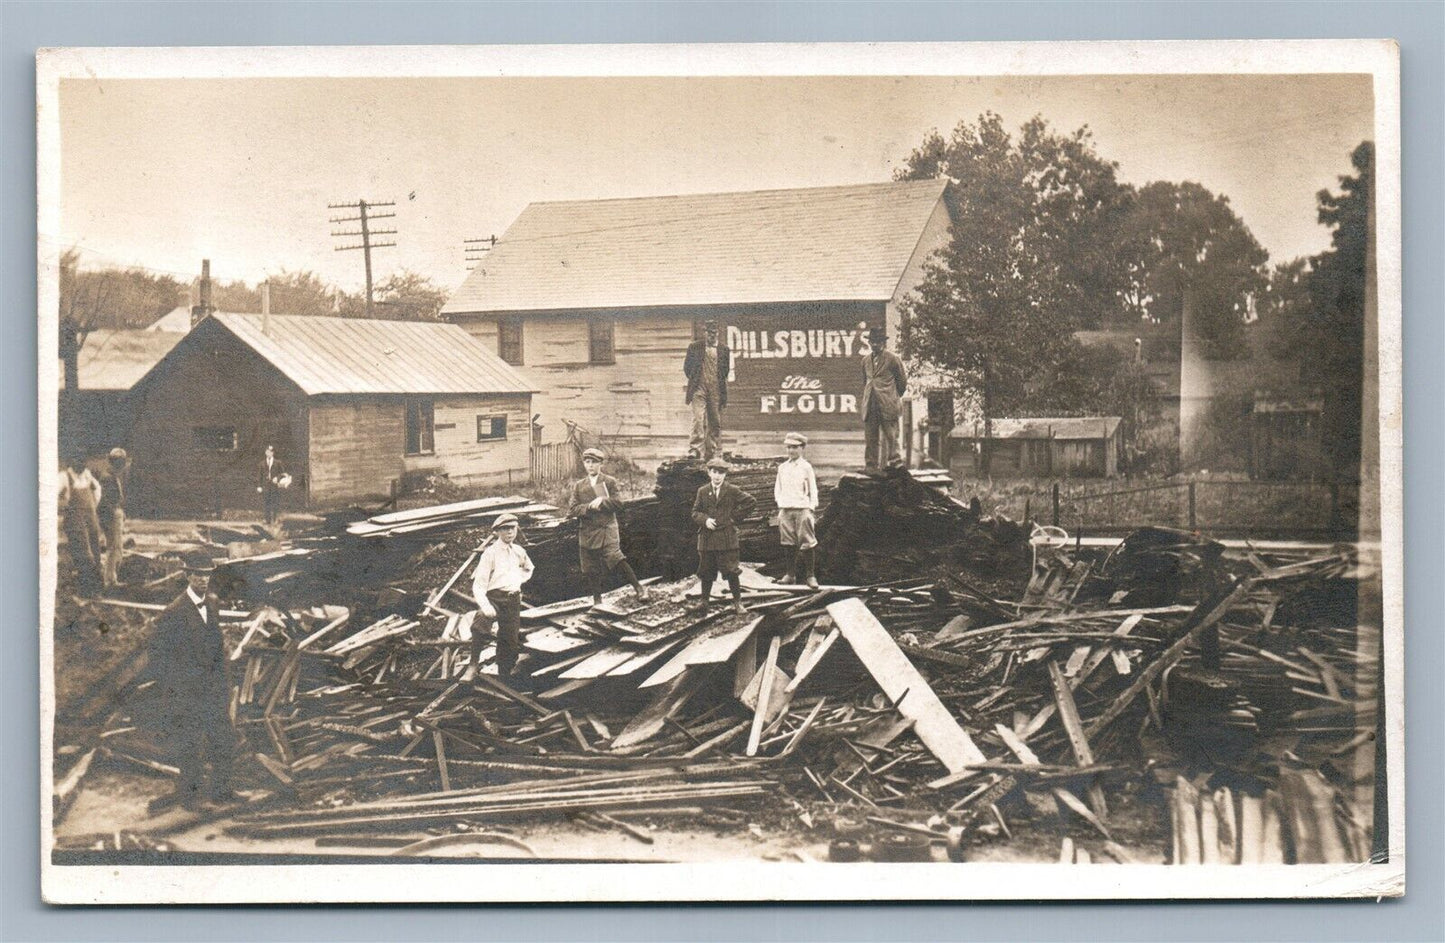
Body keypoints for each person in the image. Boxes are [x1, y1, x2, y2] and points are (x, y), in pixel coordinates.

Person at [146, 550, 236, 813]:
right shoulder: (174, 612)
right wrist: (176, 691)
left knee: (223, 738)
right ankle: (191, 798)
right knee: (191, 744)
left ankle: (223, 791)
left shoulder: (212, 603)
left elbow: (218, 647)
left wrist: (225, 683)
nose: (203, 580)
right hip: (188, 692)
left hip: (213, 689)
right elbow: (158, 656)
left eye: (207, 575)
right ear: (187, 576)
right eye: (198, 575)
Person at [568, 447, 649, 606]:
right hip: (588, 530)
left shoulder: (609, 481)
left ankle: (639, 588)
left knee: (616, 558)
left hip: (607, 528)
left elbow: (619, 504)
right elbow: (572, 509)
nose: (590, 466)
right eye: (587, 462)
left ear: (601, 464)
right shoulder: (579, 485)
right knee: (590, 567)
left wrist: (603, 501)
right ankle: (597, 600)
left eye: (594, 462)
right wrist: (589, 507)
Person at [468, 513, 534, 682]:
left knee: (509, 641)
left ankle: (504, 677)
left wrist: (518, 580)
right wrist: (486, 606)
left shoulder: (519, 551)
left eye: (512, 528)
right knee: (481, 621)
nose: (510, 532)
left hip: (513, 600)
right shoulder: (490, 554)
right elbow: (479, 585)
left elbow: (529, 568)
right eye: (505, 529)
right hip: (494, 598)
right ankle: (473, 664)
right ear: (497, 532)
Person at [691, 457, 756, 615]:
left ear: (725, 475)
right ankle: (704, 602)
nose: (717, 476)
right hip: (707, 539)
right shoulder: (703, 491)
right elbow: (694, 512)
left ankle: (738, 602)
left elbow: (751, 502)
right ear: (709, 473)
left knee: (731, 571)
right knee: (706, 571)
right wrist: (705, 520)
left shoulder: (732, 490)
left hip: (727, 539)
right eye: (714, 472)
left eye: (721, 472)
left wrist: (733, 518)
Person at [774, 432, 820, 588]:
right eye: (788, 448)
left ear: (802, 448)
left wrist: (811, 507)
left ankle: (810, 576)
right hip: (786, 509)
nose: (791, 451)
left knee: (807, 542)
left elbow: (813, 488)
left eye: (794, 447)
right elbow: (777, 488)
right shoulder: (782, 467)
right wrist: (780, 503)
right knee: (787, 542)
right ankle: (790, 575)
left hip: (802, 508)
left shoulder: (806, 467)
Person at [860, 324, 908, 472]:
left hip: (888, 404)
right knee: (871, 438)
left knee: (891, 436)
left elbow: (902, 383)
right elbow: (866, 381)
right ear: (869, 343)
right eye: (873, 342)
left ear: (883, 343)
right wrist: (870, 396)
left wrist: (892, 397)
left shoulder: (893, 359)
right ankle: (871, 465)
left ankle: (896, 464)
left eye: (878, 342)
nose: (875, 344)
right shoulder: (865, 361)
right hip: (870, 404)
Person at [682, 320, 731, 461]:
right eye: (709, 333)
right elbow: (687, 368)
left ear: (718, 333)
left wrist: (717, 385)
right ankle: (695, 449)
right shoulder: (694, 347)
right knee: (698, 418)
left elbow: (725, 371)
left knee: (715, 421)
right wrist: (696, 380)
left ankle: (711, 451)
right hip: (699, 388)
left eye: (714, 333)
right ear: (705, 333)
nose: (712, 336)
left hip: (715, 389)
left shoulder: (724, 350)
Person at [57, 454, 104, 596]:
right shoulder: (64, 477)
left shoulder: (87, 475)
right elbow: (52, 496)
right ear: (72, 461)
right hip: (75, 521)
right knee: (84, 554)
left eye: (84, 461)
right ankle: (86, 590)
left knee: (96, 552)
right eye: (78, 460)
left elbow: (97, 490)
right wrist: (63, 506)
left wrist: (92, 508)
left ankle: (97, 589)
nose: (82, 464)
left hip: (90, 518)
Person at [97, 447, 129, 588]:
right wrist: (112, 516)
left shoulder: (114, 476)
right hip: (111, 516)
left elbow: (115, 498)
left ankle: (111, 578)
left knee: (116, 547)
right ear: (114, 462)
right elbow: (104, 501)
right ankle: (109, 580)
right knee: (113, 548)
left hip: (115, 513)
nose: (121, 465)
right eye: (119, 462)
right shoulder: (108, 477)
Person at [257, 444, 288, 526]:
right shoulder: (262, 464)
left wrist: (277, 478)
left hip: (275, 487)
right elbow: (259, 476)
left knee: (274, 503)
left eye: (270, 452)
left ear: (273, 453)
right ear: (265, 453)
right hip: (266, 486)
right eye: (267, 452)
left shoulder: (278, 463)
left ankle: (274, 520)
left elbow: (283, 474)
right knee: (266, 503)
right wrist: (259, 486)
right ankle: (267, 521)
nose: (269, 453)